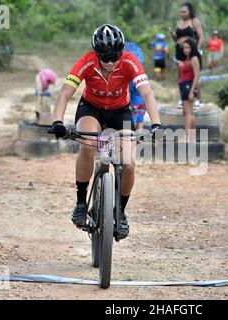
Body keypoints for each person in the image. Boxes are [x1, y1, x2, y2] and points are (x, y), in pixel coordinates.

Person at [50, 25, 162, 241]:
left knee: (128, 162)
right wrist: (57, 122)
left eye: (115, 57)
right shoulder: (87, 62)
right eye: (105, 57)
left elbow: (147, 93)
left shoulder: (130, 61)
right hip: (91, 109)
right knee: (88, 145)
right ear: (96, 53)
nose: (110, 62)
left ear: (121, 52)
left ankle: (120, 212)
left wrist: (156, 123)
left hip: (120, 112)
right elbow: (64, 94)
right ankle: (81, 203)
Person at [169, 2, 203, 109]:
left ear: (189, 12)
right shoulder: (179, 23)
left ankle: (198, 99)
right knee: (181, 75)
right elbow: (176, 39)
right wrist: (172, 34)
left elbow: (201, 36)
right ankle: (182, 98)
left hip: (191, 52)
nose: (182, 14)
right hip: (179, 51)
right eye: (180, 12)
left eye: (184, 11)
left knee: (194, 75)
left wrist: (198, 48)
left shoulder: (194, 21)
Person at [178, 39, 200, 143]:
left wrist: (192, 91)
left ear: (192, 48)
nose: (186, 50)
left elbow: (196, 76)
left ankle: (186, 137)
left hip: (189, 85)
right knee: (189, 112)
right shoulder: (186, 59)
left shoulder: (194, 59)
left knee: (188, 113)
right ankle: (192, 136)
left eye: (188, 47)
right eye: (184, 48)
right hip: (183, 85)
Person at [124, 41, 147, 131]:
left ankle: (129, 139)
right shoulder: (141, 73)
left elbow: (127, 94)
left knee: (128, 120)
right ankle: (139, 140)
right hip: (142, 100)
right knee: (140, 120)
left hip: (132, 101)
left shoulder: (127, 76)